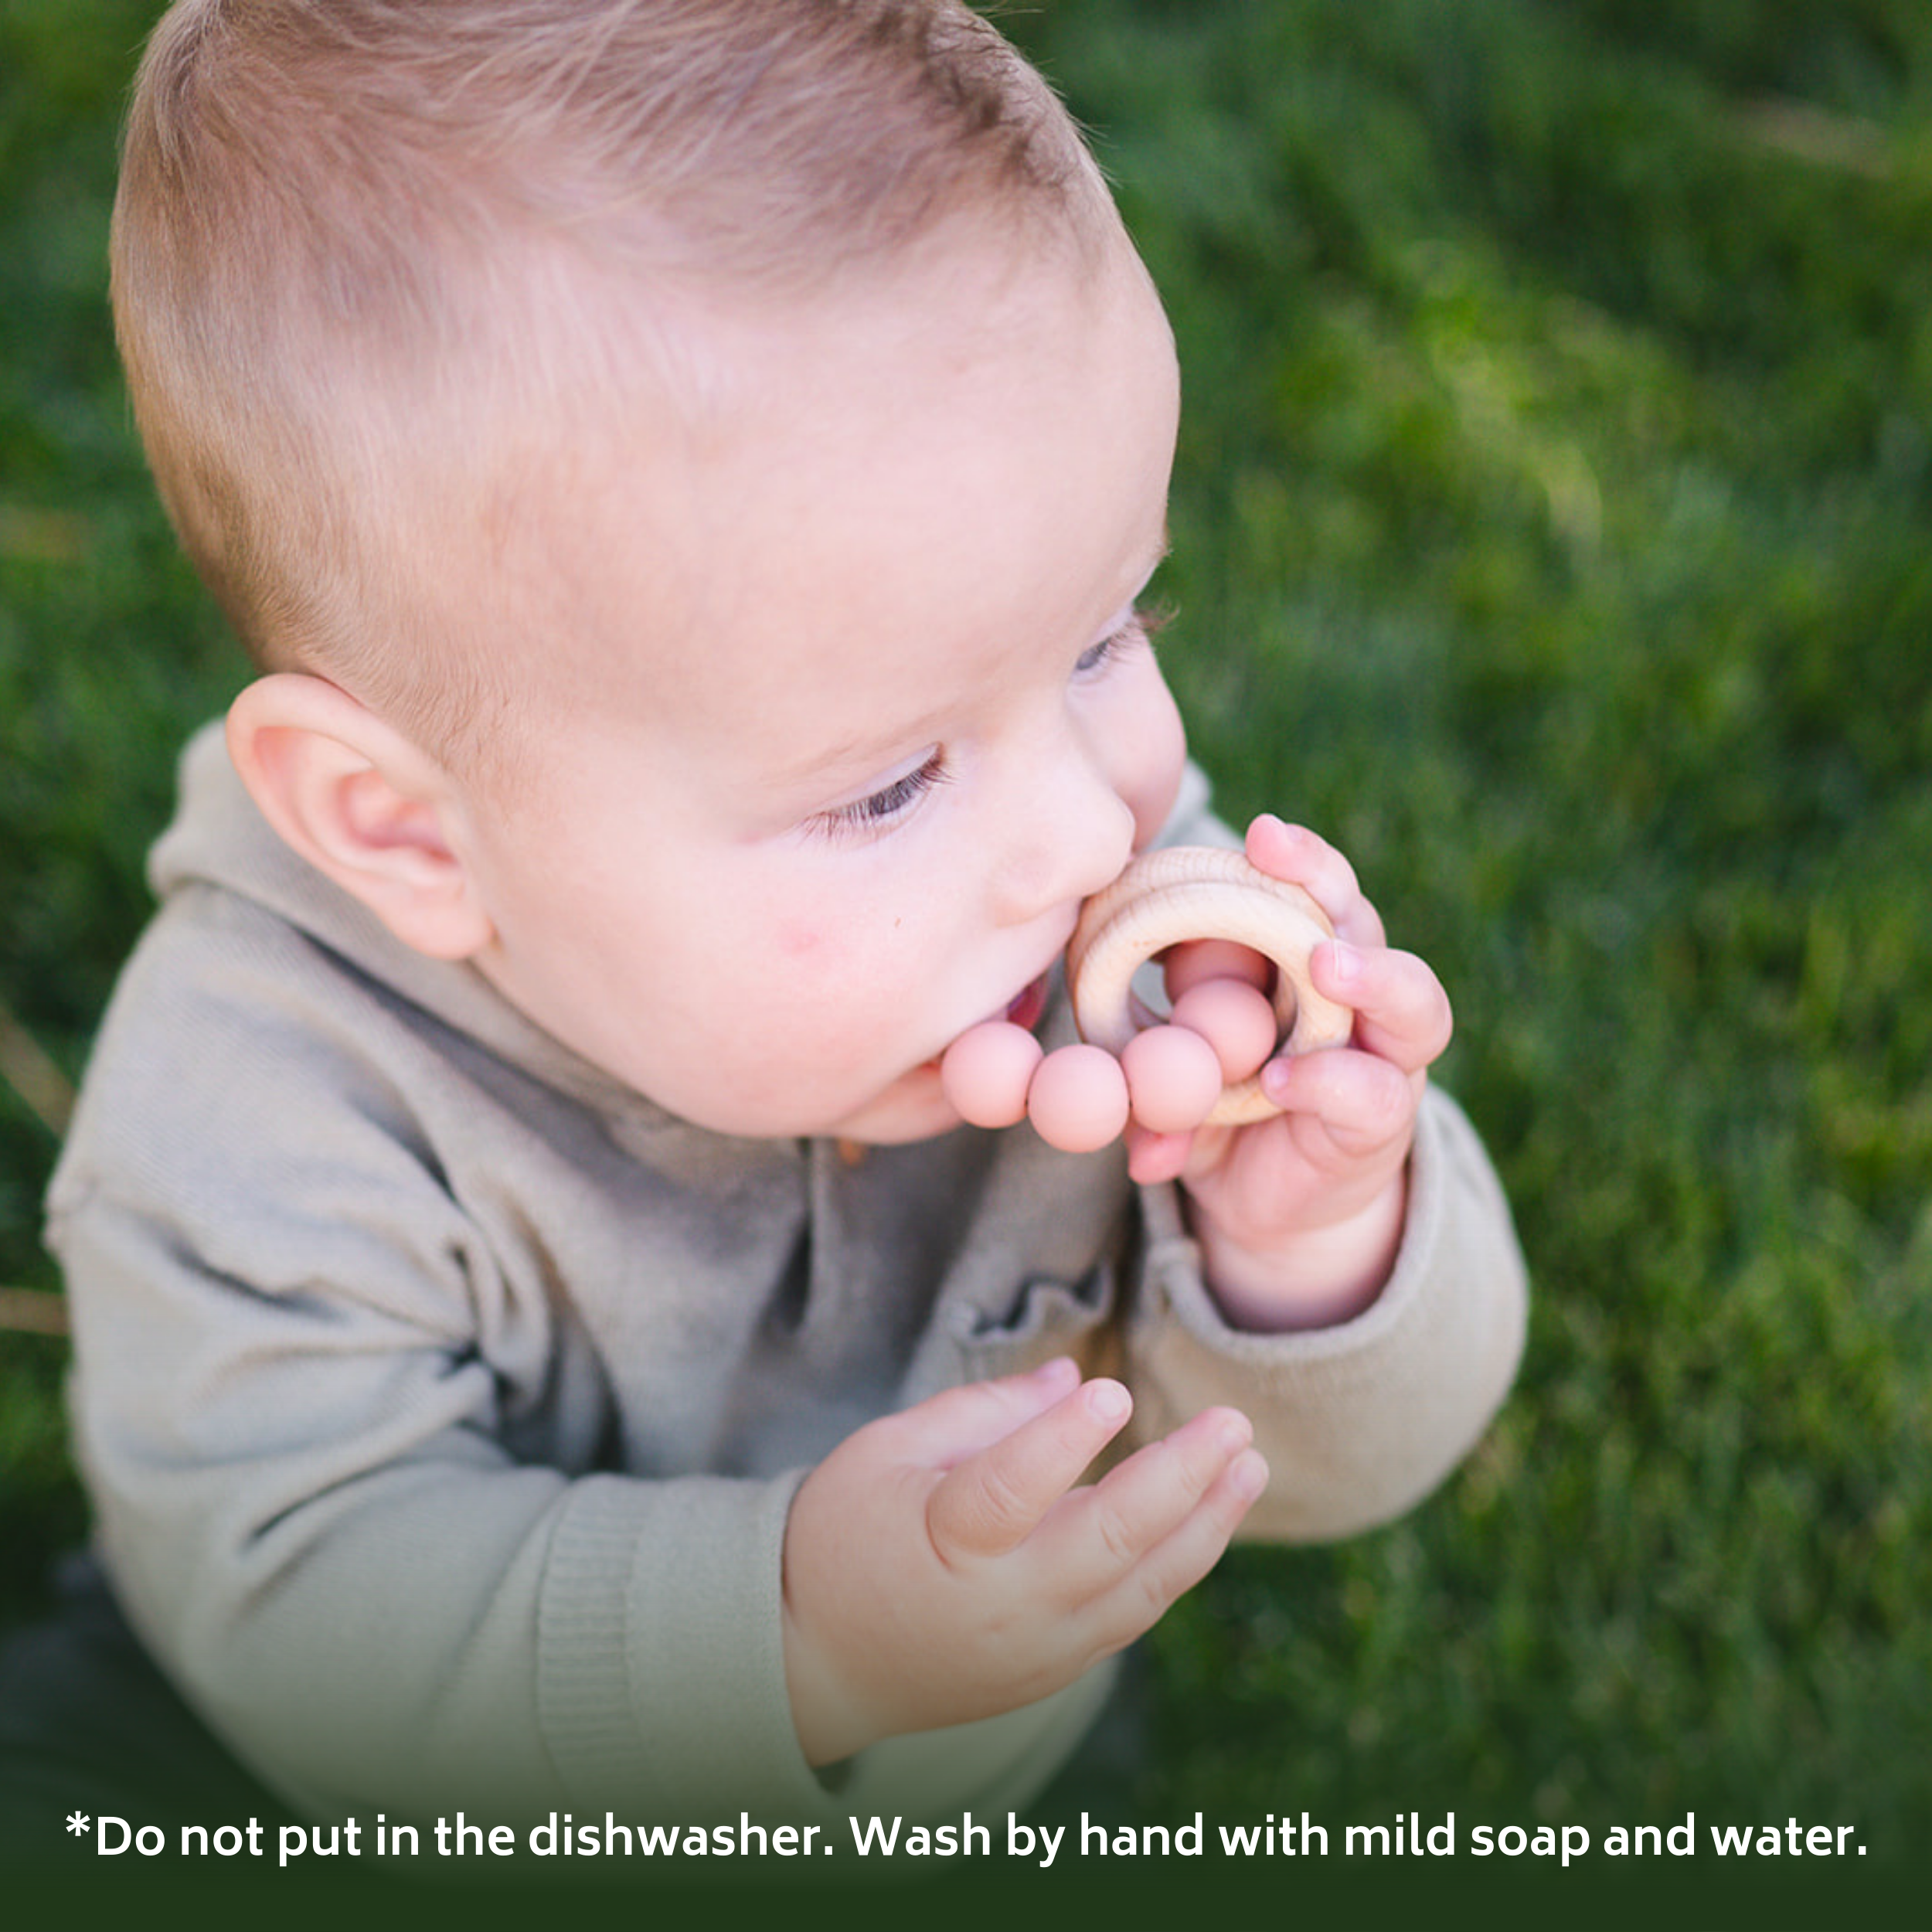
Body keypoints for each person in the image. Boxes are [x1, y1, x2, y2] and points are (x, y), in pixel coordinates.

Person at [42, 0, 1527, 1833]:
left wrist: (1307, 1244)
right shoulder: (265, 1108)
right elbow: (299, 1616)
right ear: (406, 833)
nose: (1079, 827)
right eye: (888, 780)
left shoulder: (1114, 951)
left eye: (1102, 636)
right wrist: (797, 1636)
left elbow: (1318, 1471)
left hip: (961, 1772)